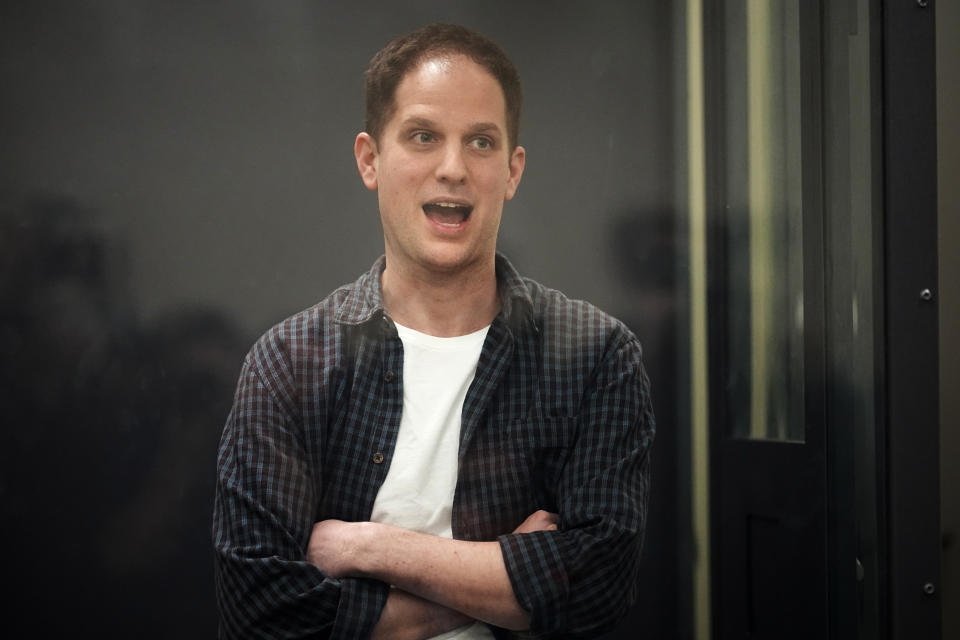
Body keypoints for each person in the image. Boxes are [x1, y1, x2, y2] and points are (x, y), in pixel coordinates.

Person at [212, 23, 655, 640]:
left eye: (481, 142)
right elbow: (260, 614)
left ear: (512, 171)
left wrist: (371, 548)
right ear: (370, 159)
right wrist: (504, 581)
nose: (453, 168)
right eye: (423, 136)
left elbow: (595, 592)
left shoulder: (594, 355)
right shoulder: (289, 364)